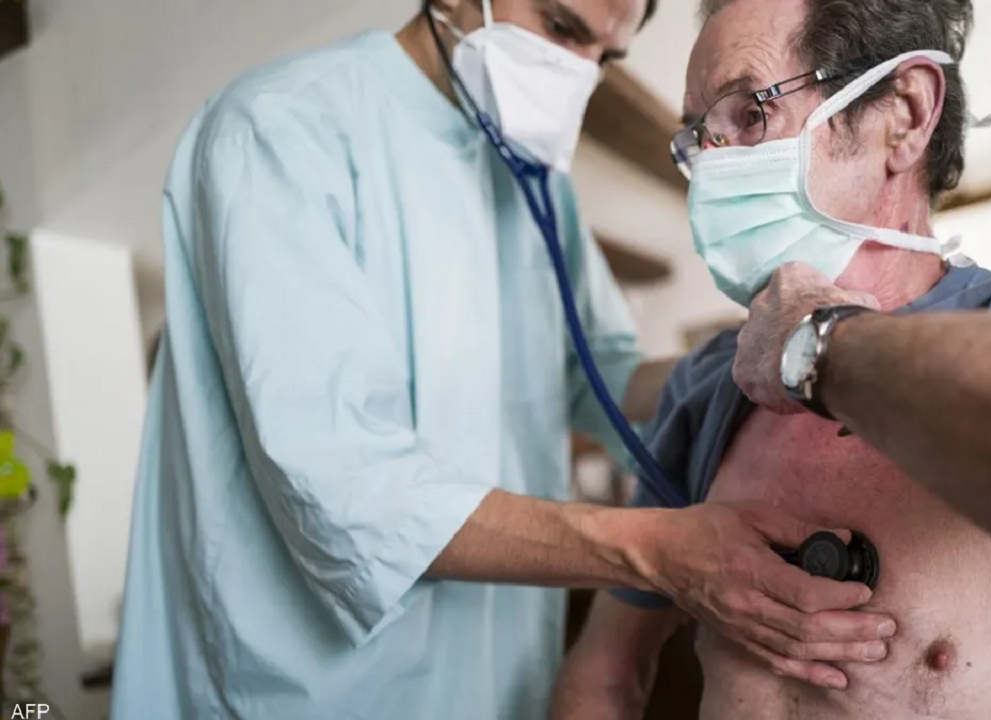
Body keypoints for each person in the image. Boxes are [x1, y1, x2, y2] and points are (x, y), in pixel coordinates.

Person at [108, 0, 902, 718]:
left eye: (606, 55)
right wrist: (658, 549)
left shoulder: (535, 187)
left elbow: (602, 376)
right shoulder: (280, 129)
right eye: (561, 27)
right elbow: (342, 484)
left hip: (495, 675)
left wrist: (767, 351)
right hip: (310, 690)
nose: (580, 72)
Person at [551, 0, 991, 717]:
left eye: (748, 113)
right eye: (698, 135)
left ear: (902, 115)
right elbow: (606, 675)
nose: (710, 164)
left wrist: (821, 343)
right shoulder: (713, 387)